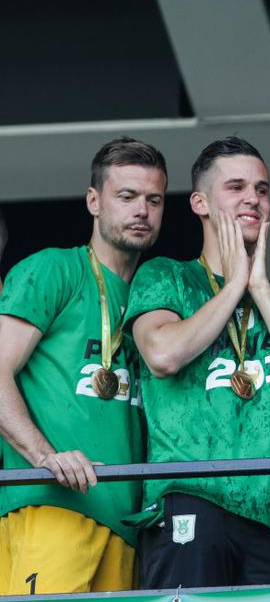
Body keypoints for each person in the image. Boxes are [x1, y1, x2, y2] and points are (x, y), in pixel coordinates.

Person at [125, 136, 270, 588]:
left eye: (262, 190)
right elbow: (163, 355)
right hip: (191, 497)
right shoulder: (167, 276)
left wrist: (259, 288)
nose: (253, 199)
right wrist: (234, 283)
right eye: (236, 187)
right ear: (200, 203)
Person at [0, 138, 166, 594]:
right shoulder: (53, 269)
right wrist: (44, 456)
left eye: (154, 200)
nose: (142, 210)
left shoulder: (156, 304)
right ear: (93, 201)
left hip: (129, 528)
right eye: (126, 196)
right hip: (53, 508)